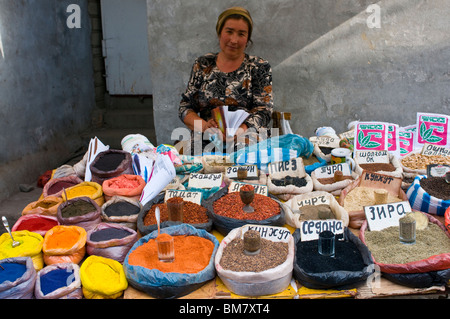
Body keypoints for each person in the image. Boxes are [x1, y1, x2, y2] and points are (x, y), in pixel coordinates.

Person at [178, 6, 273, 155]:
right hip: (207, 137)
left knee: (246, 160)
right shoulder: (203, 64)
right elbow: (185, 107)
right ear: (219, 33)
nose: (234, 40)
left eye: (241, 34)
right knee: (198, 164)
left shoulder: (258, 67)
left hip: (246, 135)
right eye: (229, 31)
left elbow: (264, 111)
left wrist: (240, 131)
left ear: (247, 39)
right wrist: (205, 127)